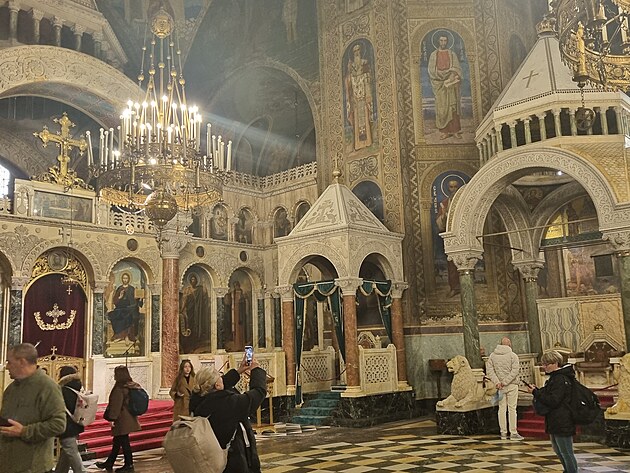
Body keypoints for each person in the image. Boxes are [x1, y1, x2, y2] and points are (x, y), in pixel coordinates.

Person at [189, 357, 267, 473]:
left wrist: (239, 371)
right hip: (233, 460)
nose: (222, 378)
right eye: (220, 377)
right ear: (217, 385)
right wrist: (256, 370)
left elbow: (217, 385)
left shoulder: (197, 400)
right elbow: (257, 393)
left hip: (211, 458)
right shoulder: (227, 403)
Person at [0, 343, 66, 473]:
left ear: (22, 362)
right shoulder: (11, 389)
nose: (7, 367)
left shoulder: (47, 387)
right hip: (8, 464)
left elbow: (58, 424)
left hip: (33, 467)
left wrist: (24, 431)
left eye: (9, 362)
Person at [527, 350, 578, 473]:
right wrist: (536, 390)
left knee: (566, 452)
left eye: (546, 364)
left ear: (555, 363)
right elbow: (549, 395)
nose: (544, 367)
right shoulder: (555, 378)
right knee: (558, 450)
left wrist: (536, 393)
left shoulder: (560, 379)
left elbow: (554, 400)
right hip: (555, 419)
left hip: (562, 419)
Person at [96, 365, 141, 472]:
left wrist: (112, 419)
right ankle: (110, 462)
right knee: (117, 441)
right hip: (129, 416)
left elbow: (116, 405)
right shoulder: (131, 385)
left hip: (121, 418)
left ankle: (129, 465)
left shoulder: (120, 388)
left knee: (124, 442)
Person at [486, 337, 523, 441]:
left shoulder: (492, 356)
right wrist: (505, 382)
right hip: (511, 385)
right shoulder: (513, 355)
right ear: (509, 344)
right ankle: (513, 433)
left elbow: (490, 371)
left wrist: (497, 382)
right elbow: (515, 371)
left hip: (500, 387)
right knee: (512, 409)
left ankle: (503, 432)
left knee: (501, 409)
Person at [428, 33, 463, 140]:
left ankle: (455, 131)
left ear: (447, 42)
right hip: (439, 85)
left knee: (453, 108)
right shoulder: (433, 55)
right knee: (442, 108)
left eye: (445, 40)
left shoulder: (452, 54)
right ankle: (445, 132)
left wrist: (452, 75)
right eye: (441, 40)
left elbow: (457, 69)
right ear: (438, 42)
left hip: (450, 84)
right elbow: (431, 71)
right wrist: (442, 74)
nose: (443, 43)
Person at [56, 365, 88, 473]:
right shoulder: (77, 387)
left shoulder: (64, 390)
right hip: (76, 422)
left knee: (71, 451)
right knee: (67, 451)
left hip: (67, 424)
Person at [345, 42, 374, 151]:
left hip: (364, 95)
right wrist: (349, 73)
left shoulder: (364, 63)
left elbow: (368, 77)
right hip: (356, 99)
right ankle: (358, 144)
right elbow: (348, 81)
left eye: (358, 51)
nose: (357, 53)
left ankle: (367, 142)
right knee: (357, 121)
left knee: (365, 118)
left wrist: (368, 93)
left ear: (361, 51)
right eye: (355, 52)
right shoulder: (351, 66)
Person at [435, 178, 461, 297]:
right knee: (451, 264)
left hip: (463, 234)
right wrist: (444, 214)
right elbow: (439, 222)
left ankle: (464, 286)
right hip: (450, 236)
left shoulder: (463, 200)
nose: (453, 189)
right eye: (451, 187)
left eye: (455, 187)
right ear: (448, 188)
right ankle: (454, 287)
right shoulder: (444, 203)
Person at [179, 273, 210, 352]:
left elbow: (205, 293)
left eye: (194, 280)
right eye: (192, 280)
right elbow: (184, 301)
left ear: (196, 281)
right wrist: (181, 309)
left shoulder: (199, 289)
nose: (193, 281)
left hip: (197, 312)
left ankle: (195, 342)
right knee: (189, 326)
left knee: (196, 326)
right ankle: (189, 344)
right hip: (189, 312)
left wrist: (204, 282)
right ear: (190, 281)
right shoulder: (187, 290)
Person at [107, 272, 142, 342]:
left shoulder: (132, 289)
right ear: (122, 279)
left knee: (129, 316)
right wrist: (120, 297)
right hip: (120, 308)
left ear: (129, 279)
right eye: (124, 278)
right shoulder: (119, 288)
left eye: (126, 278)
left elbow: (136, 301)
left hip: (130, 308)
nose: (125, 280)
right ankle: (120, 336)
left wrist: (139, 298)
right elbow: (115, 301)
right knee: (114, 316)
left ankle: (127, 336)